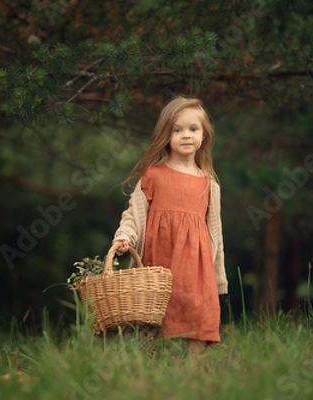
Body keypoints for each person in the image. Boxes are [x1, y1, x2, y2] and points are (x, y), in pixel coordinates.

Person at [113, 96, 228, 355]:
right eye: (177, 130)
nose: (185, 135)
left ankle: (193, 374)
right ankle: (150, 369)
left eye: (192, 129)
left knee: (197, 314)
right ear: (166, 135)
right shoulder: (153, 175)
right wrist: (124, 237)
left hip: (195, 268)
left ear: (204, 136)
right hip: (159, 262)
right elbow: (134, 214)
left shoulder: (209, 184)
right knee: (152, 315)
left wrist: (217, 276)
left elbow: (215, 234)